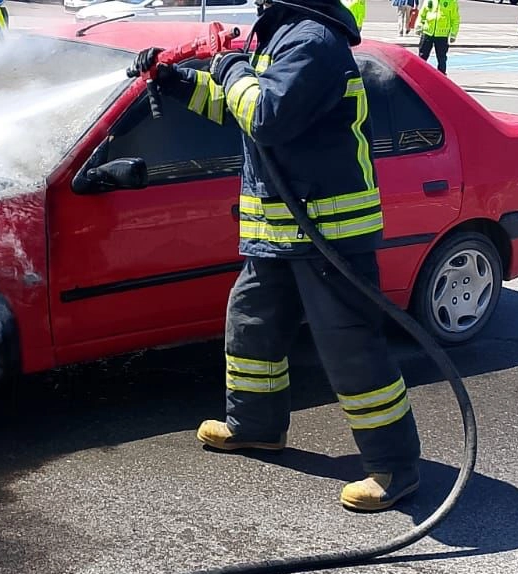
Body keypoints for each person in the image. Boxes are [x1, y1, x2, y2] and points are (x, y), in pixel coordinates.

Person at [128, 0, 422, 512]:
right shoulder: (282, 34)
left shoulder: (312, 41)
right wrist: (176, 82)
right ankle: (255, 425)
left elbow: (266, 116)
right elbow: (238, 108)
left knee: (350, 348)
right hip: (279, 231)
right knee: (251, 325)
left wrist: (230, 67)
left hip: (328, 232)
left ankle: (394, 465)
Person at [416, 0, 459, 75]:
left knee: (441, 58)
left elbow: (455, 19)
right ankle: (419, 74)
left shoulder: (451, 2)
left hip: (442, 35)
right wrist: (419, 26)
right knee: (422, 56)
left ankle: (442, 75)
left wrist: (453, 34)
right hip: (427, 32)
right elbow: (422, 14)